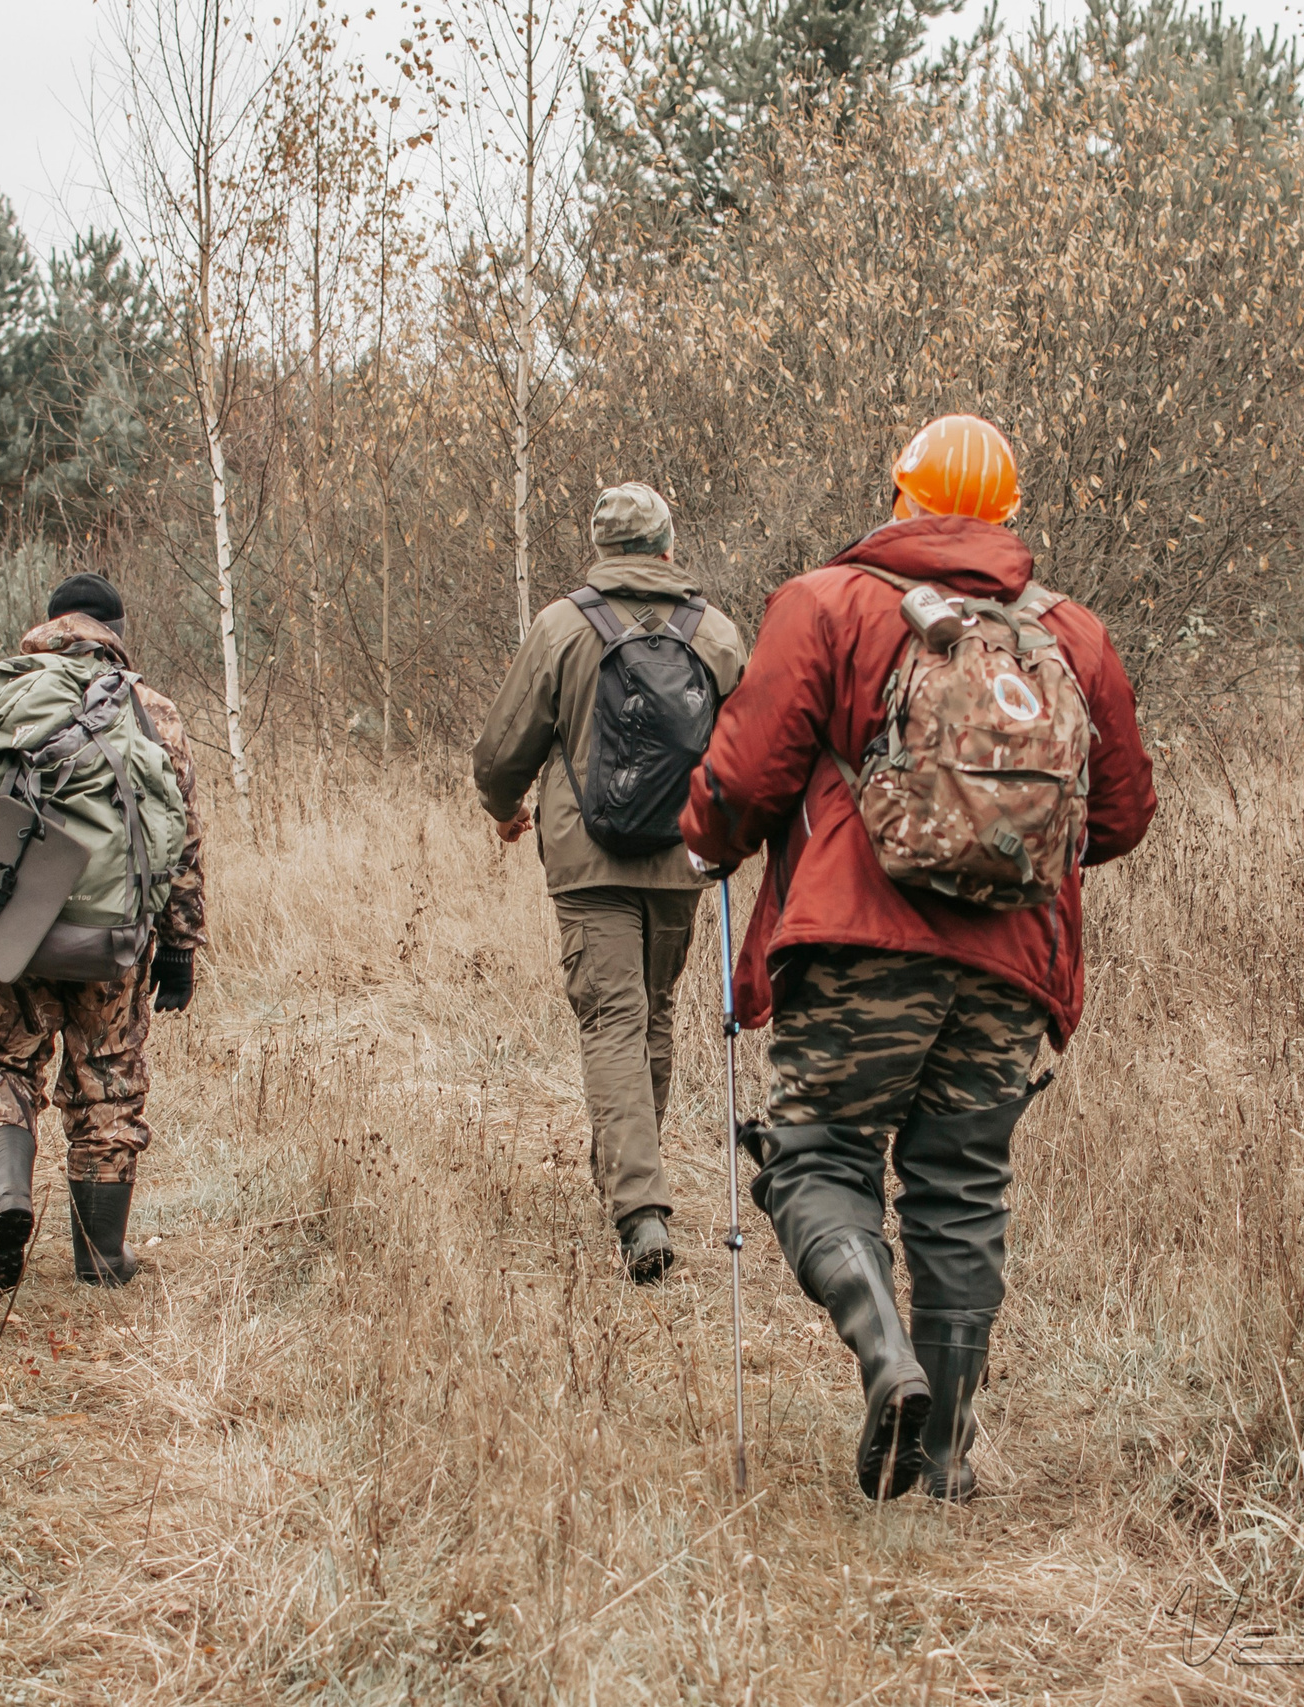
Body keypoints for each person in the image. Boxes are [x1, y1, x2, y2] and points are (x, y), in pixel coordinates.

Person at [679, 415, 1156, 1500]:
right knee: (960, 1192)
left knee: (816, 1158)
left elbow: (746, 778)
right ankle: (940, 1460)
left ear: (899, 496)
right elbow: (1120, 814)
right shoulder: (1068, 634)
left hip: (854, 946)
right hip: (1009, 967)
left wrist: (704, 836)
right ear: (1007, 512)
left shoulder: (827, 605)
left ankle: (884, 1357)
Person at [473, 483, 748, 1283]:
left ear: (601, 550)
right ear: (668, 548)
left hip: (587, 861)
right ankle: (633, 1188)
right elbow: (754, 751)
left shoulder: (564, 624)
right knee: (651, 1017)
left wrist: (504, 808)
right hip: (681, 861)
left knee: (613, 1022)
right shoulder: (718, 633)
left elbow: (500, 751)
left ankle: (639, 1210)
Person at [0, 573, 205, 1290]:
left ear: (51, 625)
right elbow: (181, 838)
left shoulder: (4, 694)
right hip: (109, 934)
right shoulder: (154, 712)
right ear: (116, 630)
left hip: (9, 922)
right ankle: (101, 1258)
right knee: (108, 1085)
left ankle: (9, 1198)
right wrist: (178, 943)